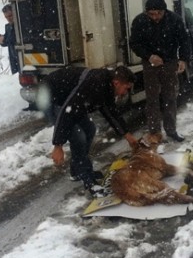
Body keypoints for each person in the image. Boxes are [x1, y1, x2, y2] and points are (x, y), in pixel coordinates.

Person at [37, 66, 138, 196]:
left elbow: (110, 112)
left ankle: (77, 171)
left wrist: (127, 135)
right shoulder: (94, 85)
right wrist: (58, 145)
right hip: (52, 98)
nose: (126, 93)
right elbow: (67, 112)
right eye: (126, 88)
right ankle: (89, 182)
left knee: (90, 129)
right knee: (79, 136)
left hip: (69, 100)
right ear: (117, 83)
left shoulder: (107, 86)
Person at [129, 0, 190, 142]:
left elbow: (184, 41)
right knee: (152, 99)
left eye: (158, 13)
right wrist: (149, 56)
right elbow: (134, 43)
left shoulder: (175, 20)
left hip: (170, 62)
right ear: (146, 13)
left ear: (164, 11)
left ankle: (171, 130)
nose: (155, 17)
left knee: (170, 97)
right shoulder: (140, 21)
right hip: (150, 64)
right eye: (151, 14)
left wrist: (183, 59)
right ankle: (155, 132)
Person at [0, 4, 19, 74]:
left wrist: (4, 39)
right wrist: (1, 40)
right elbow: (7, 40)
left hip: (22, 59)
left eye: (10, 16)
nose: (8, 19)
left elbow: (13, 39)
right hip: (14, 61)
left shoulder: (21, 26)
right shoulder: (8, 26)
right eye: (6, 17)